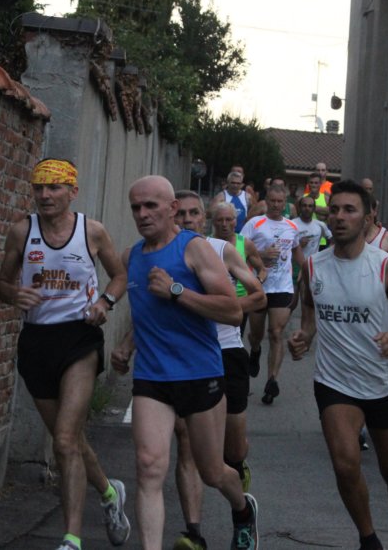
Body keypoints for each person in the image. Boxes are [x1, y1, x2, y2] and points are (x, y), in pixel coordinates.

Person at [288, 179, 388, 550]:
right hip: (334, 382)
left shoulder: (386, 267)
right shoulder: (313, 266)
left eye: (349, 210)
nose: (339, 216)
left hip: (380, 383)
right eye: (334, 210)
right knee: (344, 464)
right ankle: (368, 539)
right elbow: (310, 309)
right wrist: (305, 335)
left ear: (368, 217)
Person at [111, 176, 258, 550]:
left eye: (151, 206)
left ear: (171, 208)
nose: (142, 214)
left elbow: (232, 311)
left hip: (200, 373)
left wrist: (177, 291)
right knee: (149, 467)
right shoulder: (132, 257)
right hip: (152, 378)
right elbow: (146, 313)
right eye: (136, 207)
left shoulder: (194, 249)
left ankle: (243, 510)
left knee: (212, 472)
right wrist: (125, 347)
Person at [0, 158, 131, 550]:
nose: (45, 195)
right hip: (37, 341)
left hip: (79, 339)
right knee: (67, 440)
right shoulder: (23, 231)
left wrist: (104, 302)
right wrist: (13, 294)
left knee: (66, 438)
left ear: (73, 191)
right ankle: (109, 493)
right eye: (38, 188)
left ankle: (71, 538)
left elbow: (120, 275)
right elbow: (1, 283)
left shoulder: (92, 231)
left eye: (54, 188)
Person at [170, 191, 266, 550]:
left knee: (232, 449)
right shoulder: (161, 254)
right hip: (186, 357)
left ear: (203, 219)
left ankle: (240, 494)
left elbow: (258, 296)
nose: (187, 220)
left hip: (226, 351)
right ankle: (193, 533)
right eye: (181, 214)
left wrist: (218, 307)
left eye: (194, 213)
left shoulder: (221, 250)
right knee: (185, 441)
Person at [240, 185, 303, 405]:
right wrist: (261, 255)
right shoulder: (254, 224)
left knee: (276, 333)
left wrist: (306, 270)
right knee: (256, 335)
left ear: (286, 202)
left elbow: (296, 251)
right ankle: (255, 350)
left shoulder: (292, 226)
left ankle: (272, 381)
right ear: (266, 201)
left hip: (282, 287)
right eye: (273, 201)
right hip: (258, 287)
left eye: (280, 201)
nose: (276, 205)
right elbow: (239, 251)